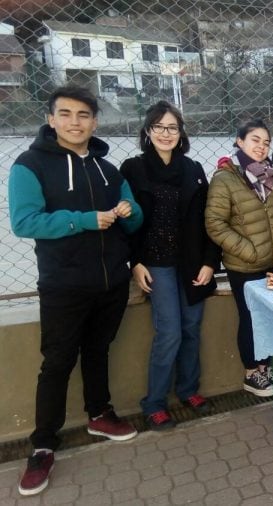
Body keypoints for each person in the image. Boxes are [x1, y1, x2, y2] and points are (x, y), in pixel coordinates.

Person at [8, 86, 143, 496]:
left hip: (111, 282)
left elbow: (133, 221)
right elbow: (25, 222)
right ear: (51, 119)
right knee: (57, 362)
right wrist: (84, 220)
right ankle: (43, 444)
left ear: (95, 121)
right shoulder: (29, 165)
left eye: (83, 115)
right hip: (64, 285)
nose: (74, 122)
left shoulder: (108, 168)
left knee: (98, 350)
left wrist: (129, 211)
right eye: (65, 114)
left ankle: (99, 414)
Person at [120, 101, 220, 431]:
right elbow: (127, 222)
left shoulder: (192, 170)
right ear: (148, 131)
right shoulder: (133, 169)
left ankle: (188, 389)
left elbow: (208, 220)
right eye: (159, 127)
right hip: (156, 264)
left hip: (191, 263)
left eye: (172, 128)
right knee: (170, 332)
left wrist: (209, 262)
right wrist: (135, 262)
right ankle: (155, 402)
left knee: (192, 327)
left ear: (181, 133)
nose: (166, 133)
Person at [206, 120, 273, 396]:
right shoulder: (225, 178)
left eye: (266, 142)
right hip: (243, 265)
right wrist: (249, 250)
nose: (261, 146)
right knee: (249, 317)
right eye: (255, 140)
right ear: (239, 141)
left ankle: (265, 368)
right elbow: (215, 223)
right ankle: (251, 373)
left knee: (268, 319)